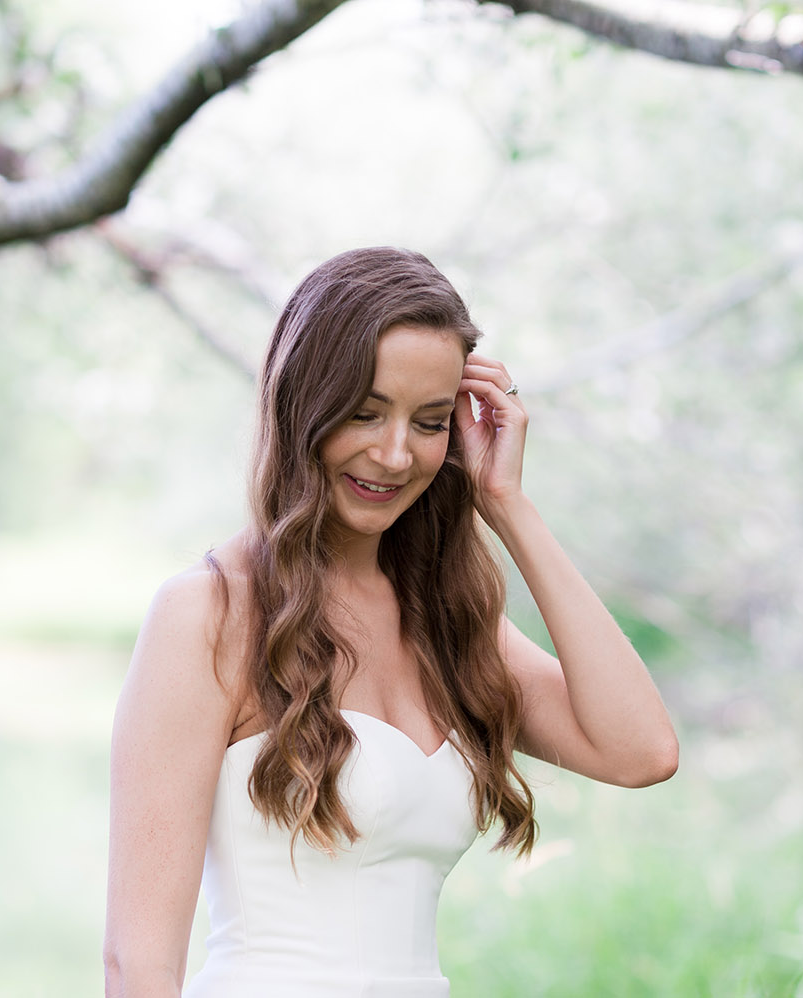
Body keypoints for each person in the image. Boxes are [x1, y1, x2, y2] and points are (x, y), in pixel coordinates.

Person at [103, 247, 678, 997]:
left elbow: (641, 751)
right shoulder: (209, 614)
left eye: (430, 421)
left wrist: (509, 507)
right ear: (301, 402)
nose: (396, 453)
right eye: (365, 412)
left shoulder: (448, 619)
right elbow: (137, 962)